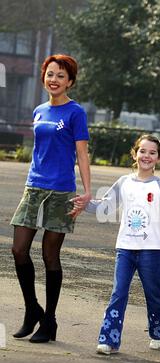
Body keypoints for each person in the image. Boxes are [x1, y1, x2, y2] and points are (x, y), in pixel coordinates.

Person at [71, 134, 160, 354]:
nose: (147, 156)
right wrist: (85, 203)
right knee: (119, 292)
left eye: (152, 153)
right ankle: (109, 339)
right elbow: (104, 207)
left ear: (158, 158)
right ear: (134, 154)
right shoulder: (124, 182)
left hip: (151, 251)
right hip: (125, 248)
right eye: (142, 151)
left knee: (154, 291)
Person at [11, 54, 91, 343]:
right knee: (19, 250)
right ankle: (32, 309)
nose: (54, 79)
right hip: (34, 187)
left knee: (49, 255)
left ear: (70, 81)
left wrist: (86, 190)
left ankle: (50, 321)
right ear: (44, 76)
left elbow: (81, 153)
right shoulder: (40, 110)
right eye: (50, 74)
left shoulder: (75, 113)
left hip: (61, 191)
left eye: (61, 75)